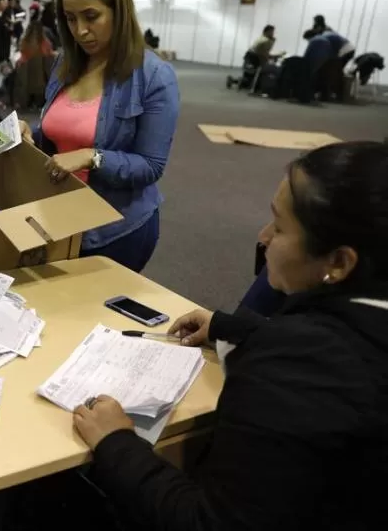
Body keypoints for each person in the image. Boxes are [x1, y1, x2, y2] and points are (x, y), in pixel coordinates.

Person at [72, 140, 388, 531]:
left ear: (338, 262)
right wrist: (235, 329)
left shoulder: (297, 370)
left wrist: (116, 441)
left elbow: (209, 522)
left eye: (280, 226)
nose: (264, 237)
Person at [28, 0, 180, 273]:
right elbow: (60, 133)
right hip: (60, 217)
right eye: (70, 19)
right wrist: (29, 132)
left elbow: (151, 166)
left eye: (91, 16)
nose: (81, 31)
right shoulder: (65, 64)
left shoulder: (154, 77)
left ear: (119, 12)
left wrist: (92, 157)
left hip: (116, 229)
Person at [303, 28, 355, 103]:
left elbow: (327, 51)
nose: (308, 41)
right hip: (349, 49)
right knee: (336, 71)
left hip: (344, 51)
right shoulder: (325, 35)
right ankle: (336, 93)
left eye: (308, 39)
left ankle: (335, 94)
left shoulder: (323, 39)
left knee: (334, 72)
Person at [227, 24, 285, 91]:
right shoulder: (264, 40)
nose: (273, 33)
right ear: (266, 32)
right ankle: (240, 81)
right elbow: (262, 53)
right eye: (271, 32)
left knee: (251, 75)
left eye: (273, 32)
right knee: (253, 75)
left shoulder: (264, 39)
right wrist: (271, 57)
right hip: (253, 58)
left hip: (252, 57)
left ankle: (237, 81)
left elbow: (264, 52)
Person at [14, 18, 53, 110]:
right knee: (39, 85)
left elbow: (22, 50)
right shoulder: (42, 40)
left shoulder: (26, 39)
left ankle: (28, 103)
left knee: (27, 85)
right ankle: (38, 103)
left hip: (27, 66)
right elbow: (47, 51)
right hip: (39, 66)